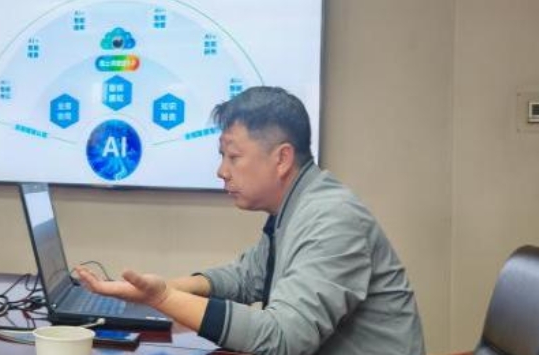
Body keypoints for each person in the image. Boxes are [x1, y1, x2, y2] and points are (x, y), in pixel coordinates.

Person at [76, 86, 425, 355]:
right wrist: (163, 289)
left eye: (233, 157)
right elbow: (246, 278)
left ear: (282, 158)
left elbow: (283, 339)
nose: (222, 171)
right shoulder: (297, 206)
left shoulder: (332, 218)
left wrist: (164, 297)